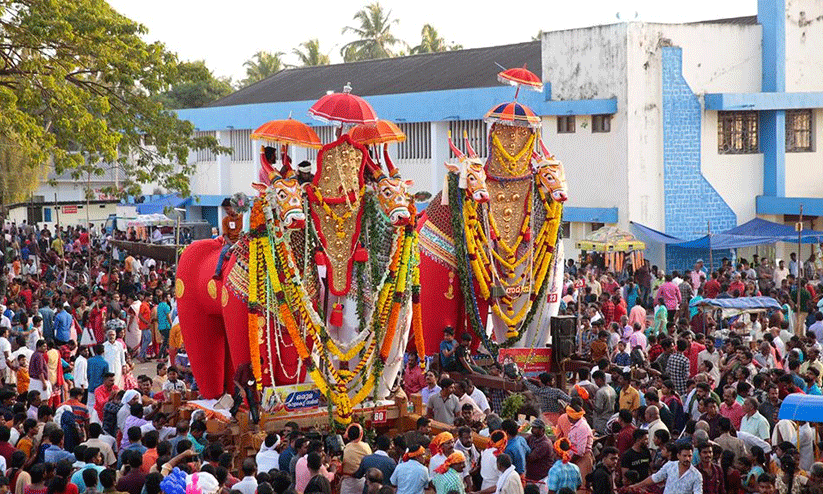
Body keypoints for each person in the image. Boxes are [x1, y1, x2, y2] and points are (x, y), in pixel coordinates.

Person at [628, 443, 701, 494]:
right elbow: (655, 478)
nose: (687, 459)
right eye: (684, 456)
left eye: (689, 456)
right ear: (678, 456)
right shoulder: (669, 466)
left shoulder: (696, 475)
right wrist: (636, 486)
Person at [213, 198, 242, 280]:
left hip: (241, 242)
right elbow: (225, 235)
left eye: (227, 209)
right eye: (225, 210)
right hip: (230, 243)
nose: (226, 212)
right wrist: (232, 245)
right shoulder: (225, 220)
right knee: (223, 253)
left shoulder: (242, 217)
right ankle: (217, 272)